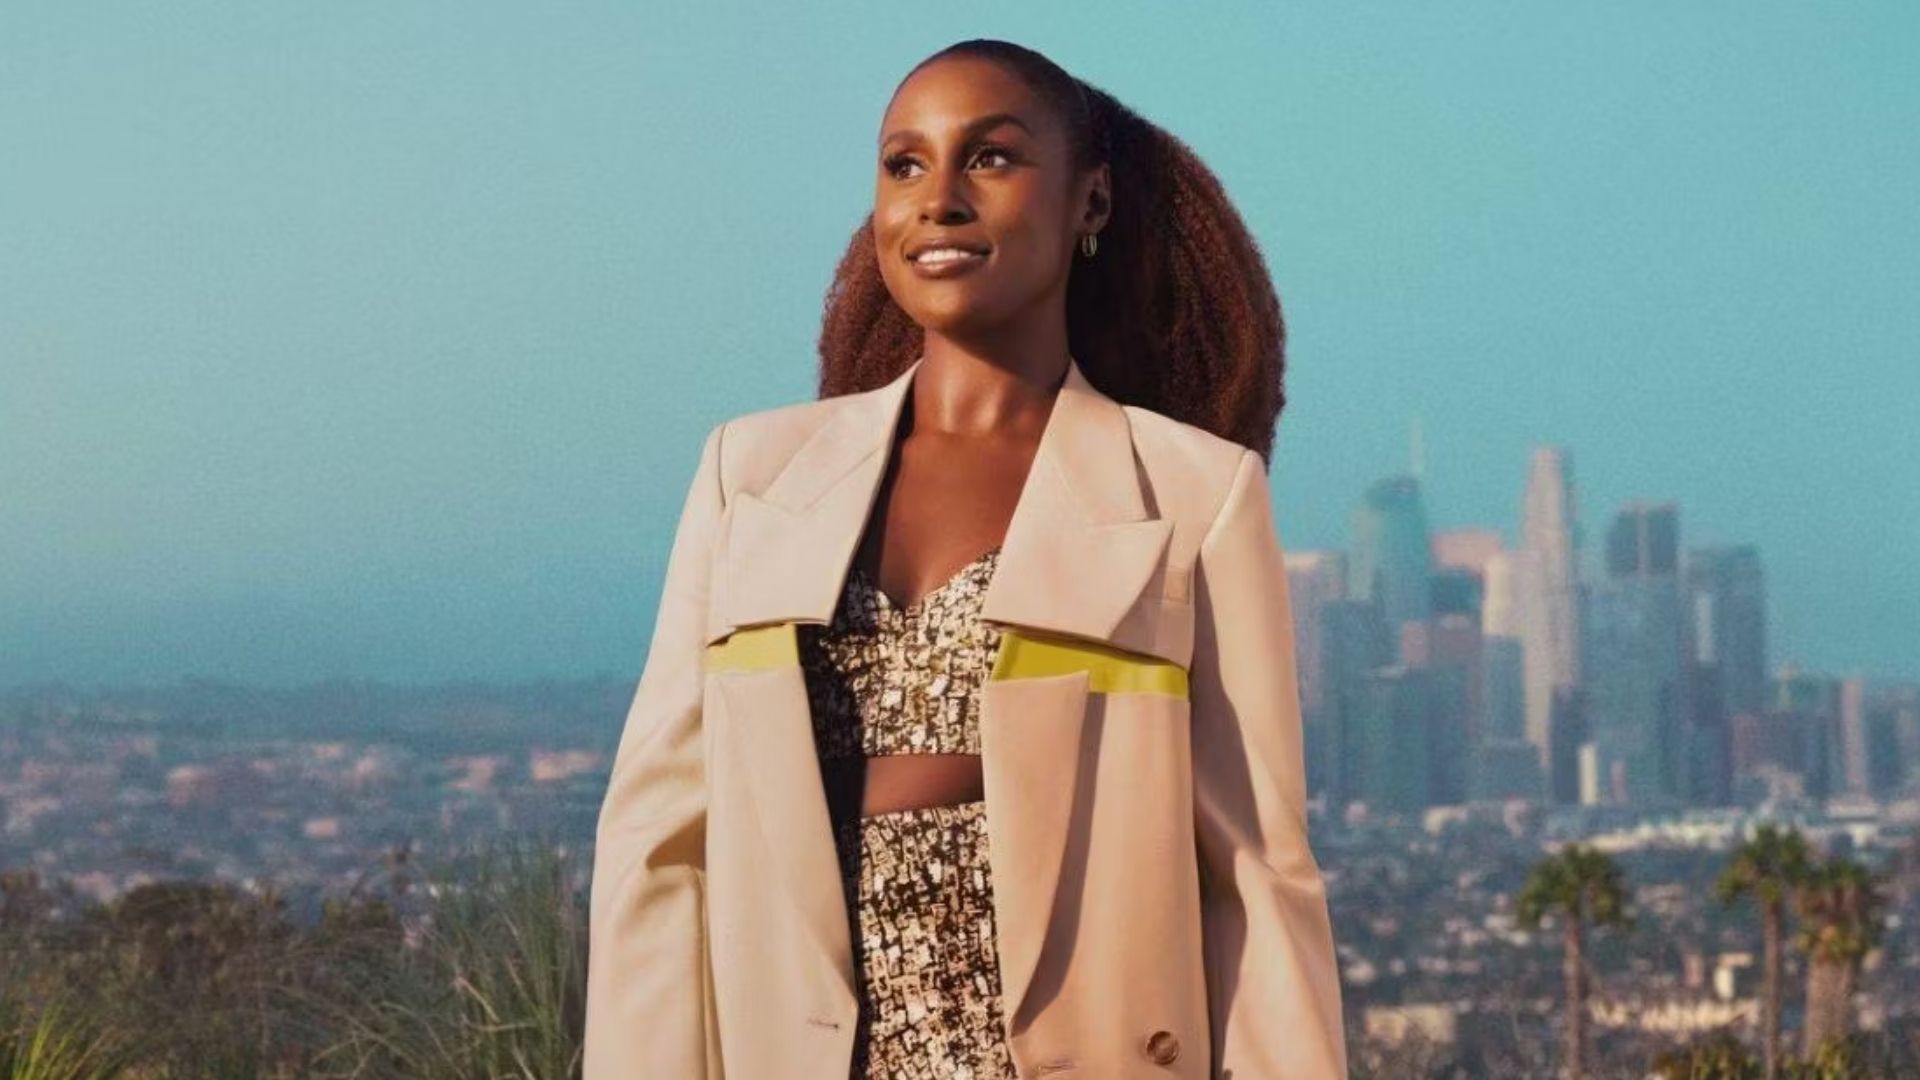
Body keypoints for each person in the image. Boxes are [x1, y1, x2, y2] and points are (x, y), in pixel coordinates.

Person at [586, 38, 1346, 1079]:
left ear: (1091, 204)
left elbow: (1255, 876)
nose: (937, 198)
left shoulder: (1193, 497)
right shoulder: (749, 475)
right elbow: (659, 847)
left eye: (989, 159)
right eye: (905, 164)